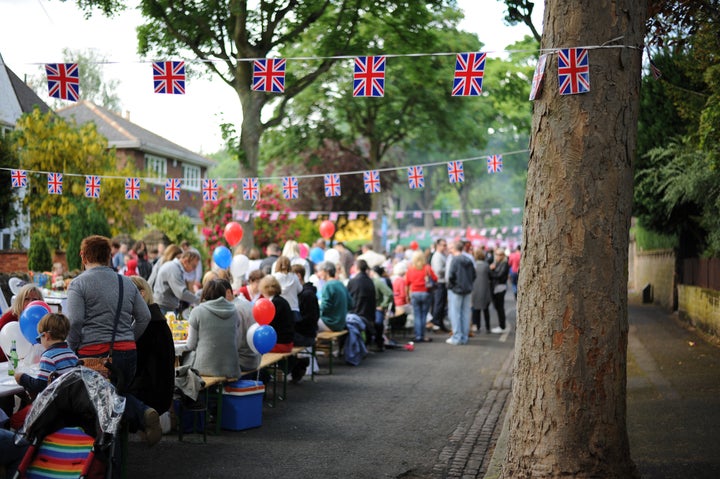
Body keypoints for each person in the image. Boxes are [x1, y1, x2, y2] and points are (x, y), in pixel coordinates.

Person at [64, 235, 160, 446]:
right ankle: (140, 415)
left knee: (95, 406)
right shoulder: (126, 281)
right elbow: (144, 316)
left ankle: (101, 456)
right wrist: (129, 338)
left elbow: (75, 321)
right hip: (127, 353)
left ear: (82, 256)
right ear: (109, 256)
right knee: (113, 397)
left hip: (94, 355)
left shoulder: (79, 284)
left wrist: (69, 350)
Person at [128, 276, 175, 415]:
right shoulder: (158, 319)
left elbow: (137, 364)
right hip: (162, 391)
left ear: (141, 294)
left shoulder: (146, 323)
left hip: (148, 392)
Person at [184, 279, 242, 378]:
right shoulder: (234, 311)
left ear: (205, 293)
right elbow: (237, 341)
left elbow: (190, 345)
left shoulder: (197, 311)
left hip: (203, 368)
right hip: (231, 368)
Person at [15, 313, 78, 396]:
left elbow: (40, 385)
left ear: (46, 336)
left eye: (39, 338)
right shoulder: (72, 354)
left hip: (55, 404)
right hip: (70, 401)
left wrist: (22, 378)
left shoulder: (48, 357)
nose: (39, 341)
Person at [0, 283, 44, 362]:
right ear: (20, 300)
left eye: (34, 299)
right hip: (7, 361)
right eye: (26, 299)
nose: (30, 302)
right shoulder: (10, 316)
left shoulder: (41, 317)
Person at [446, 240, 476, 346]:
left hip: (456, 290)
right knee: (465, 314)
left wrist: (450, 286)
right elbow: (474, 275)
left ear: (454, 248)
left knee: (455, 314)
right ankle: (464, 337)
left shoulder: (454, 260)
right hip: (467, 289)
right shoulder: (469, 259)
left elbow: (451, 276)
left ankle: (456, 337)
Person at [153, 250, 201, 315]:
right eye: (193, 266)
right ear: (185, 261)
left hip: (165, 307)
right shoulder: (174, 269)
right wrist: (199, 300)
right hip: (164, 308)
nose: (194, 269)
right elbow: (181, 293)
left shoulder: (173, 267)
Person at [404, 251, 437, 343]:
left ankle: (418, 335)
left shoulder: (410, 269)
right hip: (426, 293)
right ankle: (422, 335)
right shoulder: (427, 268)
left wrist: (407, 296)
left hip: (415, 293)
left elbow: (406, 284)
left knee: (417, 315)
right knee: (424, 315)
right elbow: (435, 279)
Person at [258, 275, 294, 353]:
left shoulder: (274, 304)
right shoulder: (281, 301)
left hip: (281, 343)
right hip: (287, 341)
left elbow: (269, 325)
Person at [347, 259, 377, 347]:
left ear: (356, 267)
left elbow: (348, 298)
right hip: (368, 314)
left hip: (355, 313)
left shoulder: (353, 281)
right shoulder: (370, 281)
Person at [316, 261, 353, 332]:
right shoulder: (340, 284)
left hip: (331, 324)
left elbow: (325, 307)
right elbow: (351, 304)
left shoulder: (328, 285)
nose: (318, 274)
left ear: (326, 272)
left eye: (320, 271)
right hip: (342, 323)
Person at [272, 256, 303, 322]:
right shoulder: (294, 277)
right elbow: (300, 290)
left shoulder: (275, 277)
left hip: (279, 309)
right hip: (294, 308)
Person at [370, 265, 393, 351]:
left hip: (377, 308)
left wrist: (383, 305)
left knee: (378, 323)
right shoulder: (372, 281)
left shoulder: (377, 282)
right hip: (369, 309)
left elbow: (389, 293)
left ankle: (379, 343)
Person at [471, 248, 492, 334]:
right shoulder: (486, 265)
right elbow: (491, 275)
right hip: (485, 289)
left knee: (476, 310)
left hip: (475, 289)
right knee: (486, 309)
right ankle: (487, 327)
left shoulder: (474, 265)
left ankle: (477, 326)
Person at [430, 238, 450, 332]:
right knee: (438, 304)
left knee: (441, 305)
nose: (445, 247)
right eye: (444, 245)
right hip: (439, 282)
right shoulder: (437, 256)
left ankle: (440, 323)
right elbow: (438, 270)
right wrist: (448, 268)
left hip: (443, 282)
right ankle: (436, 323)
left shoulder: (442, 255)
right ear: (438, 246)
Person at [489, 248, 510, 333]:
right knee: (497, 307)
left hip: (500, 287)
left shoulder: (504, 264)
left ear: (503, 255)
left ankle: (502, 326)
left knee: (500, 307)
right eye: (496, 254)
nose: (497, 256)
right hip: (496, 287)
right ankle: (501, 325)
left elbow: (499, 275)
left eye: (499, 254)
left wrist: (491, 270)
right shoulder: (497, 263)